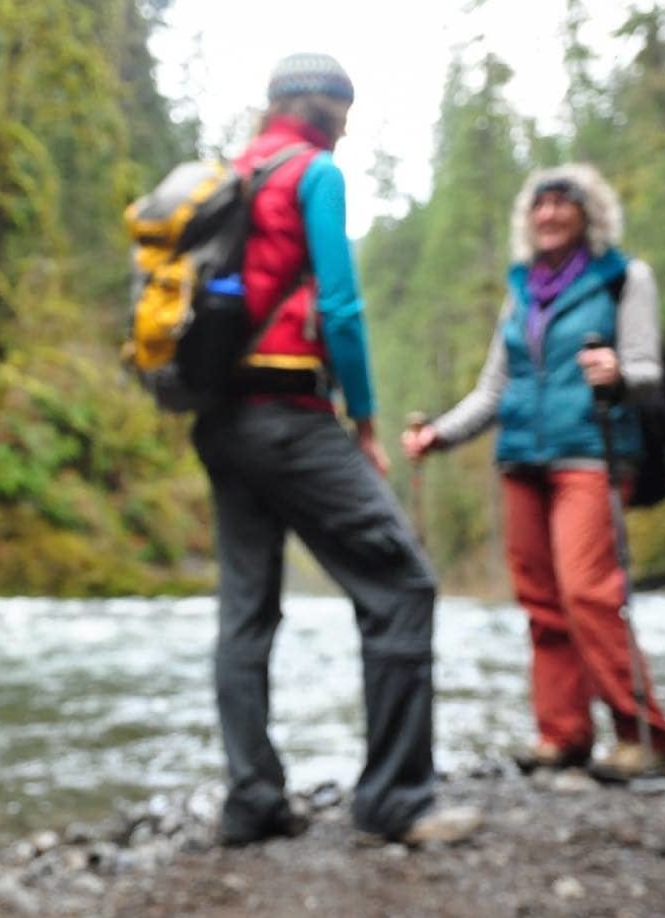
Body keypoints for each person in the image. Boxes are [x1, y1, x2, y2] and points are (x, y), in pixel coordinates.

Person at [193, 52, 481, 847]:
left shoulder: (229, 174)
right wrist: (362, 419)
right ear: (327, 111)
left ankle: (251, 802)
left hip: (219, 421)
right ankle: (395, 801)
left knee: (245, 614)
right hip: (289, 413)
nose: (348, 124)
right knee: (401, 586)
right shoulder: (312, 173)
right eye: (345, 109)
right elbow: (343, 308)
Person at [401, 163, 665, 784]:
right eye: (539, 205)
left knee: (589, 593)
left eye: (563, 203)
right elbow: (494, 388)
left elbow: (647, 371)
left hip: (593, 453)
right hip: (521, 459)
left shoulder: (624, 279)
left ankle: (647, 737)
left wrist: (617, 371)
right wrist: (439, 435)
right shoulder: (522, 290)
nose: (549, 214)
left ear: (589, 215)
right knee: (542, 603)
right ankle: (564, 734)